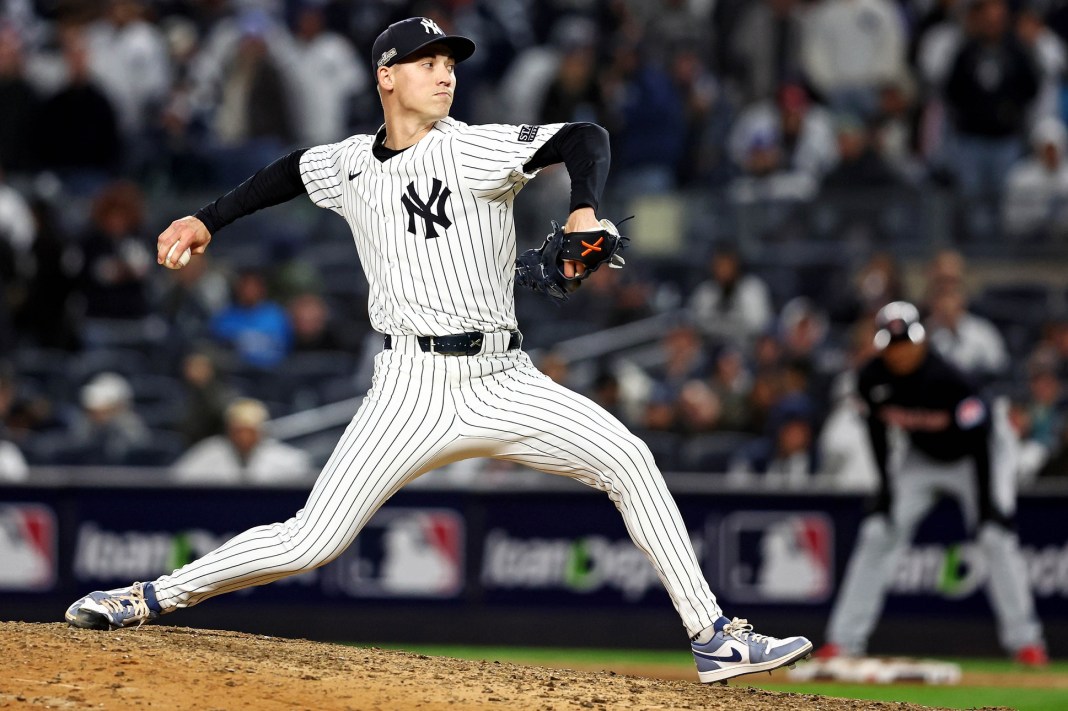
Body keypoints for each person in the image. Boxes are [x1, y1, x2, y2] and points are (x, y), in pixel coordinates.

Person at [63, 16, 812, 684]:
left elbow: (585, 137)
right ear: (386, 76)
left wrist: (583, 205)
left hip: (501, 374)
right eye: (426, 61)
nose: (445, 71)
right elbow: (290, 168)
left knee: (628, 459)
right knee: (310, 540)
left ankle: (714, 636)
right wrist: (206, 218)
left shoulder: (477, 149)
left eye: (450, 61)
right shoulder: (351, 162)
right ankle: (147, 596)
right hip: (408, 386)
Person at [815, 301, 1047, 666]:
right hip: (921, 457)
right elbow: (877, 431)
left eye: (906, 342)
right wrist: (885, 489)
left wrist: (988, 504)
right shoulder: (871, 378)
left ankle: (1027, 642)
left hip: (978, 455)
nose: (900, 351)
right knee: (878, 532)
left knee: (995, 536)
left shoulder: (948, 377)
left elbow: (980, 436)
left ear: (921, 341)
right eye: (892, 344)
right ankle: (843, 642)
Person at [171, 398, 311, 485]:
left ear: (261, 432)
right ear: (229, 430)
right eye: (239, 430)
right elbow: (175, 483)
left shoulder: (288, 459)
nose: (244, 437)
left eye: (250, 431)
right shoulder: (207, 452)